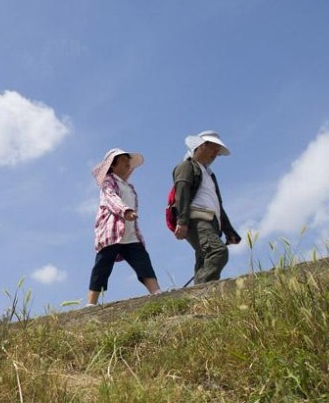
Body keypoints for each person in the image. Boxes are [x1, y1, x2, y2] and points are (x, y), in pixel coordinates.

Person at [86, 148, 161, 306]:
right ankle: (91, 303)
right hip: (111, 233)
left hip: (130, 234)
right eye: (124, 162)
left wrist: (130, 215)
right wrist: (125, 211)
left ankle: (157, 293)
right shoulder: (109, 182)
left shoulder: (129, 187)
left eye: (128, 163)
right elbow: (111, 198)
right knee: (103, 266)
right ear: (112, 165)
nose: (128, 165)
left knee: (143, 262)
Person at [173, 131, 242, 284]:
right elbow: (182, 191)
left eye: (218, 151)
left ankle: (201, 303)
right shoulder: (187, 166)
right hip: (197, 221)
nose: (216, 154)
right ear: (202, 146)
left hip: (211, 223)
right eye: (214, 148)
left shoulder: (209, 175)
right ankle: (200, 296)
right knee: (217, 252)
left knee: (204, 262)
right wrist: (182, 221)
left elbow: (218, 206)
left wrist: (229, 231)